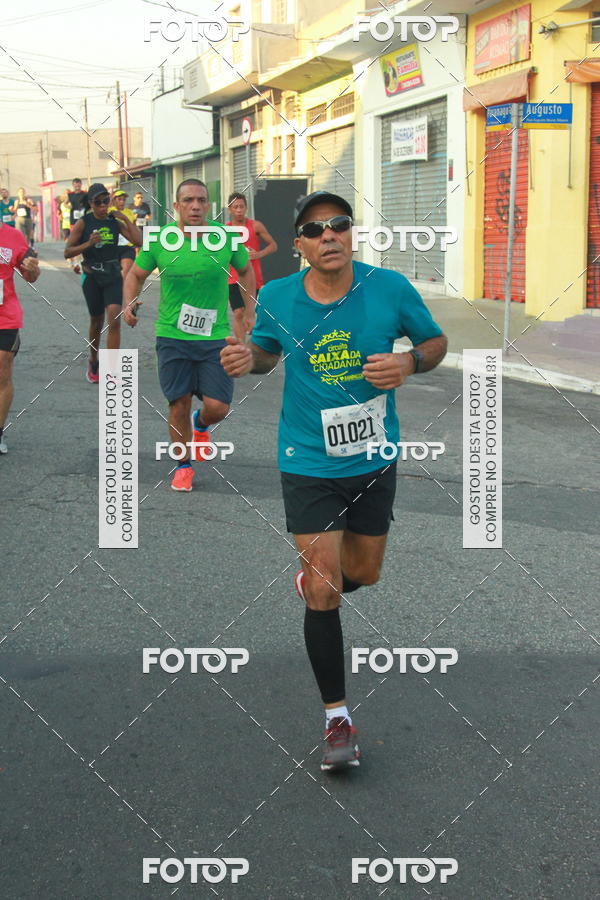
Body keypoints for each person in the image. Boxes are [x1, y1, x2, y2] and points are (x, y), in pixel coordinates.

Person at [221, 191, 448, 771]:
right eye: (314, 229)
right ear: (297, 244)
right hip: (307, 459)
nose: (329, 235)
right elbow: (269, 353)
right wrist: (251, 358)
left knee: (363, 573)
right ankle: (337, 720)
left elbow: (435, 341)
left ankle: (319, 590)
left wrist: (410, 363)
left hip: (373, 457)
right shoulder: (276, 297)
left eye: (339, 225)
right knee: (324, 585)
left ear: (352, 233)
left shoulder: (389, 288)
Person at [123, 178, 256, 492]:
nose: (195, 206)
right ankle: (183, 465)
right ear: (177, 206)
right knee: (177, 403)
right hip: (172, 335)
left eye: (201, 200)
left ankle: (201, 424)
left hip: (215, 337)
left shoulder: (224, 237)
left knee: (218, 407)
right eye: (188, 200)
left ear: (208, 205)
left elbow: (247, 270)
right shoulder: (161, 240)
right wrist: (129, 302)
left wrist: (249, 309)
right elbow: (136, 274)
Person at [64, 183, 141, 383]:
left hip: (113, 275)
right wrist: (88, 243)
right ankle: (94, 359)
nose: (102, 206)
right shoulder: (84, 222)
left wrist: (125, 218)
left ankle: (112, 370)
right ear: (91, 203)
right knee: (96, 321)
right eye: (98, 202)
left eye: (106, 201)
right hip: (92, 277)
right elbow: (67, 251)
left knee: (114, 319)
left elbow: (139, 241)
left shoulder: (114, 221)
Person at [0, 219, 40, 454]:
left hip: (5, 315)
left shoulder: (13, 236)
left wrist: (33, 268)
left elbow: (30, 275)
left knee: (2, 369)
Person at [226, 192, 277, 342]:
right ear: (230, 209)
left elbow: (273, 245)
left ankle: (254, 344)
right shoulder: (225, 229)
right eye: (235, 207)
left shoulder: (255, 225)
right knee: (238, 312)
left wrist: (258, 254)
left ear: (246, 208)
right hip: (232, 278)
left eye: (241, 206)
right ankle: (241, 345)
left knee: (250, 313)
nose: (239, 210)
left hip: (252, 278)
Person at [109, 189, 137, 280]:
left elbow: (134, 227)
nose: (122, 202)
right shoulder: (109, 211)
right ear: (114, 200)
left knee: (125, 272)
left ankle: (121, 292)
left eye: (124, 200)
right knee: (113, 274)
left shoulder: (129, 212)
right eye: (119, 199)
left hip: (127, 246)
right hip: (113, 246)